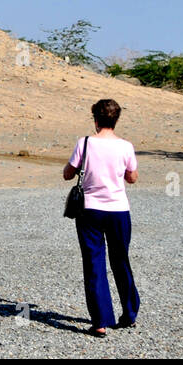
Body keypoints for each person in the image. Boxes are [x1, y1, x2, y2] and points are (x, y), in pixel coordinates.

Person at [63, 99, 139, 337]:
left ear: (95, 119)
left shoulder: (85, 143)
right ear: (116, 120)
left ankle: (100, 321)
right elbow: (133, 177)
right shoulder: (126, 146)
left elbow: (67, 174)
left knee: (94, 263)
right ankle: (129, 313)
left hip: (90, 211)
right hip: (118, 210)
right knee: (121, 260)